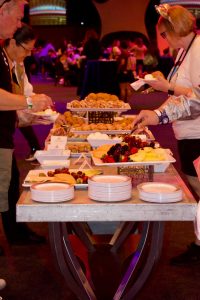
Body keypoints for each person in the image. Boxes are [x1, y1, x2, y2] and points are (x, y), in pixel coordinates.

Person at [132, 3, 200, 266]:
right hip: (187, 132)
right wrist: (163, 91)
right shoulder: (186, 50)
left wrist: (165, 95)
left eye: (163, 34)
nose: (163, 40)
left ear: (173, 30)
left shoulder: (197, 50)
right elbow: (184, 92)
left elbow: (195, 98)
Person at [0, 0, 52, 259]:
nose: (19, 23)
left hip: (5, 134)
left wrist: (31, 115)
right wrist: (30, 104)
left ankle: (16, 233)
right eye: (18, 18)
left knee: (9, 187)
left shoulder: (11, 61)